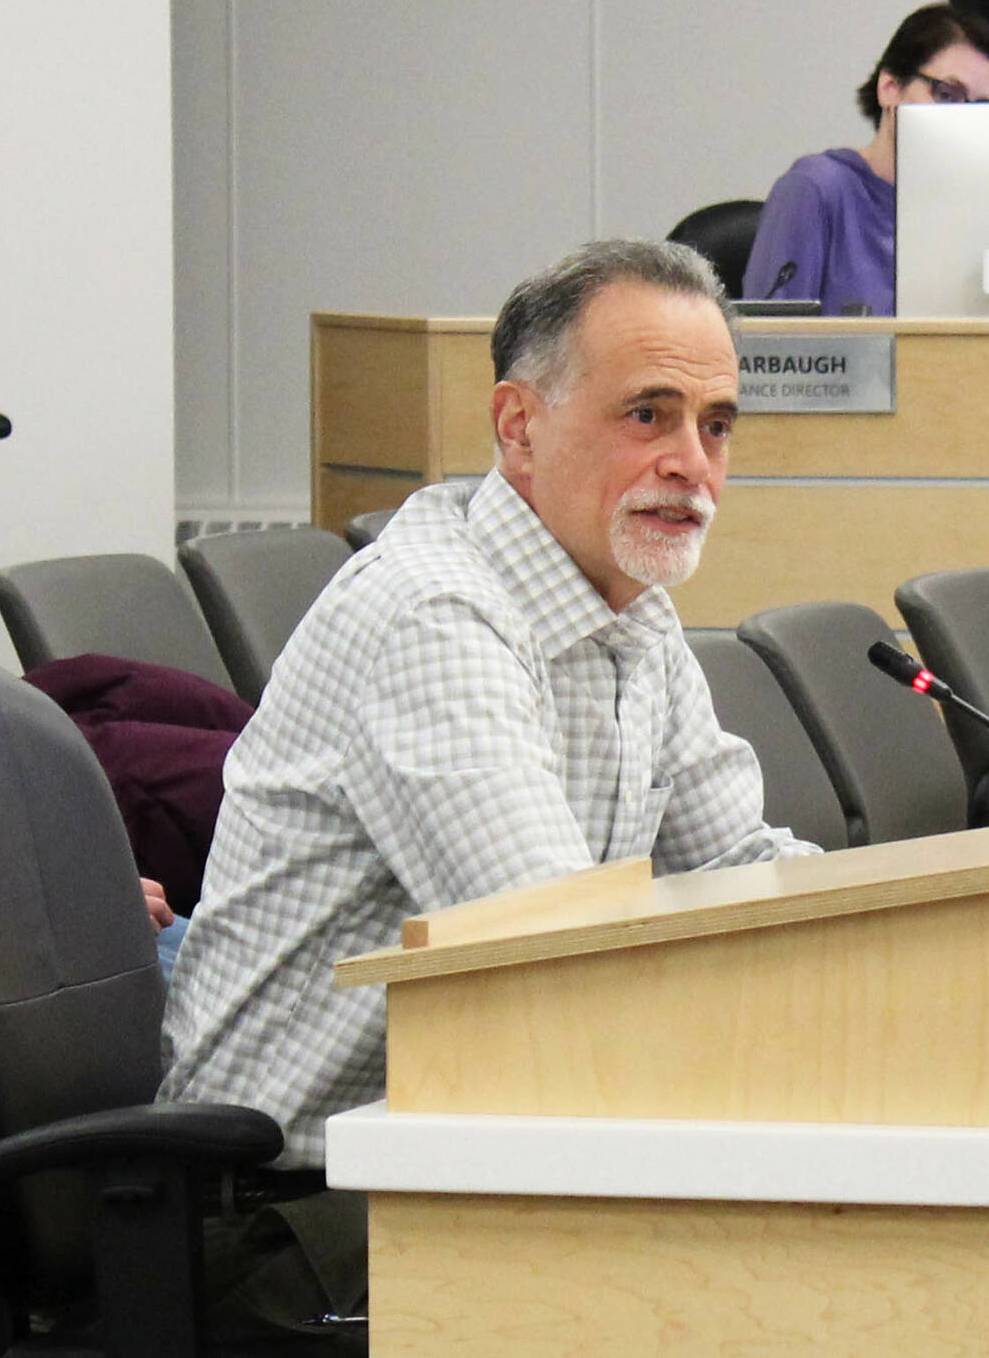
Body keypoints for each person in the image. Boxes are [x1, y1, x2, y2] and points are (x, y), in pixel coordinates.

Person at [158, 238, 819, 1349]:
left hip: (451, 1174)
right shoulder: (437, 618)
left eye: (716, 426)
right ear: (519, 429)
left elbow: (741, 861)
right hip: (296, 1229)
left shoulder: (626, 614)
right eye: (647, 415)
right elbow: (558, 971)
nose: (691, 465)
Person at [742, 3, 989, 316]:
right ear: (890, 87)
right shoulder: (815, 188)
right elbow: (771, 351)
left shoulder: (975, 209)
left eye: (981, 109)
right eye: (947, 95)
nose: (963, 120)